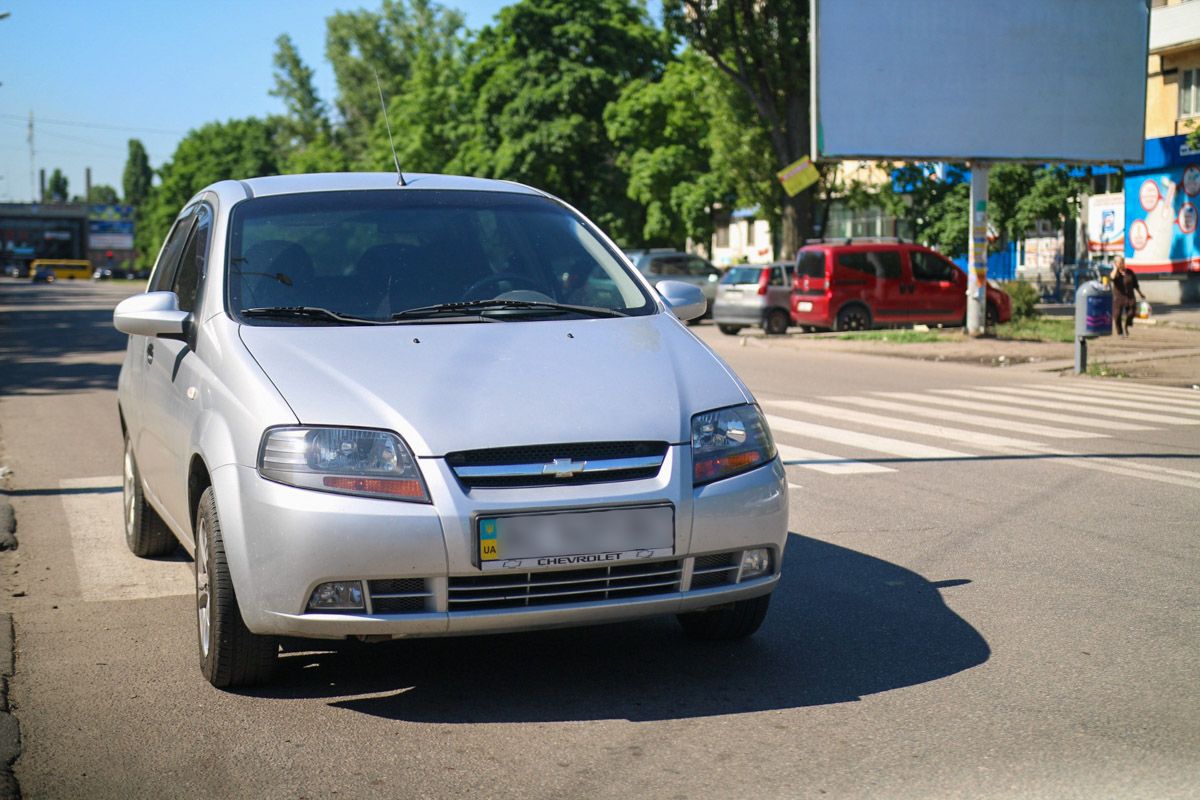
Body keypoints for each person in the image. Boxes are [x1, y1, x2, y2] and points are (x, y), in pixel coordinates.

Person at [1110, 256, 1145, 337]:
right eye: (1120, 262)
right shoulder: (1115, 273)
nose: (1122, 264)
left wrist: (1140, 293)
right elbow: (1112, 277)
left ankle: (1126, 326)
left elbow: (1135, 285)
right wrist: (1115, 268)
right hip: (1118, 298)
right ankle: (1120, 332)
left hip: (1130, 297)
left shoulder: (1130, 272)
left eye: (1122, 262)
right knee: (1117, 315)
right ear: (1116, 264)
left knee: (1132, 312)